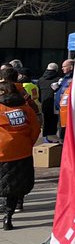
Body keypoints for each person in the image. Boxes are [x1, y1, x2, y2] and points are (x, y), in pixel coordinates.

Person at [0, 80, 39, 229]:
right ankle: (8, 218)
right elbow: (35, 128)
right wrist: (28, 144)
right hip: (21, 152)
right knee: (14, 187)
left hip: (2, 151)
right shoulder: (25, 108)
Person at [54, 58, 75, 140]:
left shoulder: (74, 78)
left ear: (71, 67)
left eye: (64, 66)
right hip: (61, 108)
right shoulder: (64, 78)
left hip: (68, 110)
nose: (62, 68)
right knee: (62, 129)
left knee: (65, 130)